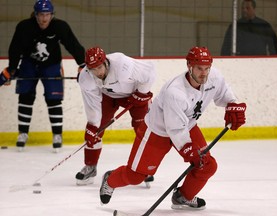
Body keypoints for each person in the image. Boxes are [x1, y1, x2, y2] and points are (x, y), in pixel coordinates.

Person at [99, 46, 247, 211]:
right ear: (189, 66)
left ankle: (183, 196)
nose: (204, 73)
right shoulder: (175, 91)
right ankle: (110, 179)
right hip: (157, 131)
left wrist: (233, 105)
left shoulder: (214, 77)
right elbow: (175, 128)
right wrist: (188, 149)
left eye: (207, 68)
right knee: (136, 176)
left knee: (207, 165)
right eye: (199, 68)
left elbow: (224, 93)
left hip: (187, 125)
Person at [1, 0, 85, 152]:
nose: (44, 19)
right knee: (25, 96)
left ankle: (57, 135)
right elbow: (15, 48)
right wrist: (12, 69)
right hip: (28, 64)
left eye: (47, 15)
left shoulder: (60, 26)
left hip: (51, 65)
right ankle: (23, 133)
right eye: (41, 15)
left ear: (52, 15)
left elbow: (72, 44)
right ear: (35, 14)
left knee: (54, 99)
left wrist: (83, 64)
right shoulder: (24, 27)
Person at [76, 46, 156, 186]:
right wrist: (93, 125)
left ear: (105, 62)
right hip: (109, 96)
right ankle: (91, 166)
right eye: (93, 69)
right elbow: (92, 104)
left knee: (143, 130)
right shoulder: (86, 77)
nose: (97, 72)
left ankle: (144, 169)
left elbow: (150, 72)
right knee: (95, 130)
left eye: (99, 67)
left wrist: (142, 92)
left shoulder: (122, 64)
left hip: (135, 95)